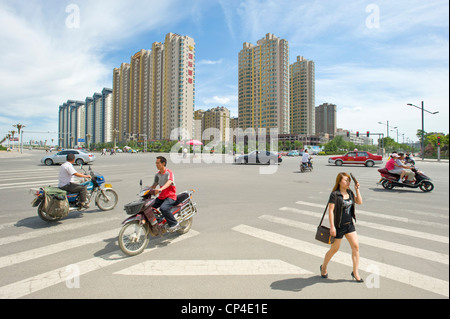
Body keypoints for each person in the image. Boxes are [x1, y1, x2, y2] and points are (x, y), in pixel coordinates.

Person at [320, 172, 364, 282]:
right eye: (346, 180)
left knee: (356, 247)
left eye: (349, 180)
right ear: (339, 182)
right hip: (338, 226)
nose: (348, 182)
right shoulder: (334, 194)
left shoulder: (349, 192)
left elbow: (359, 202)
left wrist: (357, 189)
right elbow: (331, 211)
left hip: (349, 225)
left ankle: (355, 272)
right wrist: (332, 227)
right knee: (334, 249)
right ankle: (324, 266)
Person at [150, 156, 180, 231]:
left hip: (170, 196)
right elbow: (154, 185)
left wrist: (161, 188)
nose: (156, 165)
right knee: (149, 206)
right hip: (162, 196)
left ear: (163, 163)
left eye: (158, 163)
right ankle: (158, 221)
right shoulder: (157, 174)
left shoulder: (169, 173)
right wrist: (147, 191)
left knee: (163, 208)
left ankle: (174, 224)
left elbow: (169, 182)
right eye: (156, 163)